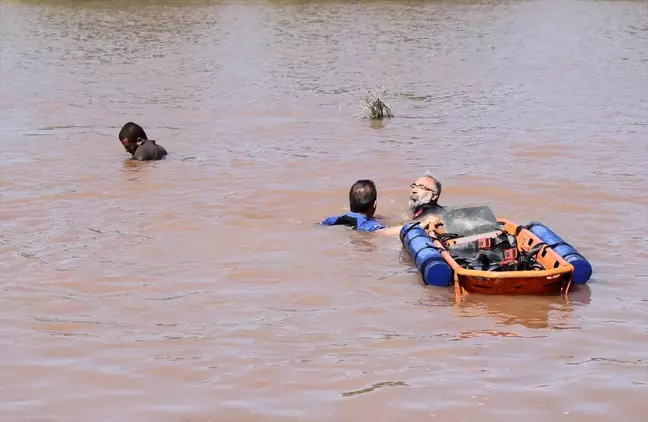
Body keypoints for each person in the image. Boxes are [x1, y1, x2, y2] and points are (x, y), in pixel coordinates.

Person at [321, 179, 440, 235]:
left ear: (350, 201)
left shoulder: (332, 220)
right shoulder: (367, 225)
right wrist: (421, 224)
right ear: (374, 205)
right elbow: (386, 232)